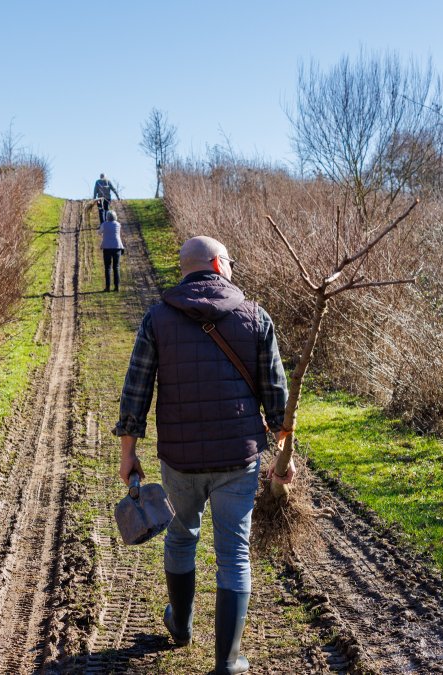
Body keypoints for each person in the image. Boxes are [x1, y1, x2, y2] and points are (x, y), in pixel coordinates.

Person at [113, 236, 294, 675]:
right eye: (229, 261)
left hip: (180, 458)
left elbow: (136, 389)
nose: (231, 267)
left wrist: (128, 452)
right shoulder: (256, 317)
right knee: (234, 553)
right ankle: (228, 661)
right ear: (217, 264)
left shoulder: (158, 318)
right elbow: (277, 396)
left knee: (181, 537)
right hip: (239, 456)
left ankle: (181, 626)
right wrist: (282, 455)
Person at [99, 210, 124, 292]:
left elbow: (99, 232)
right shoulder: (118, 224)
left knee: (107, 268)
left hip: (107, 247)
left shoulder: (104, 224)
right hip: (117, 247)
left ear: (107, 217)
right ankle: (117, 287)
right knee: (116, 267)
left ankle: (108, 287)